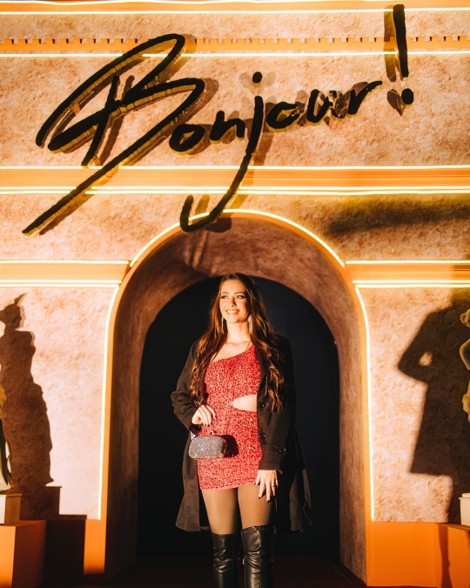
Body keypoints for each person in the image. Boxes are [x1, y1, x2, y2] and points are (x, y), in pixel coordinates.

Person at [171, 273, 310, 588]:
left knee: (258, 552)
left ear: (252, 301)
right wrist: (193, 413)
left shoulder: (274, 346)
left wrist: (271, 461)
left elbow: (285, 407)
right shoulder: (203, 347)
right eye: (224, 296)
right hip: (213, 456)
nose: (230, 303)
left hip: (257, 457)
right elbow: (179, 396)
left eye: (239, 296)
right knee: (223, 553)